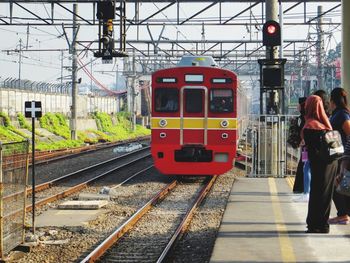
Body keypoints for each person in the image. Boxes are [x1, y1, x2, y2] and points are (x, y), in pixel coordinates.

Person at [302, 95, 338, 233]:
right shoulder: (324, 123)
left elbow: (312, 149)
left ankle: (316, 224)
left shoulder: (309, 125)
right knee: (325, 194)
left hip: (318, 164)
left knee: (316, 193)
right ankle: (320, 224)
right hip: (330, 163)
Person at [328, 87, 350, 224]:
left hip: (342, 156)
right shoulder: (337, 113)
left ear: (332, 100)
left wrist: (346, 156)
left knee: (339, 185)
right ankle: (343, 213)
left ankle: (343, 214)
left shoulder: (342, 114)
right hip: (337, 155)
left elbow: (349, 134)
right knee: (339, 185)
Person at [293, 97, 307, 193]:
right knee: (304, 165)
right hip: (305, 148)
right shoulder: (303, 117)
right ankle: (301, 187)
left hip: (306, 148)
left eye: (299, 104)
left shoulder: (304, 117)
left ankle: (302, 188)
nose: (297, 106)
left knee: (304, 165)